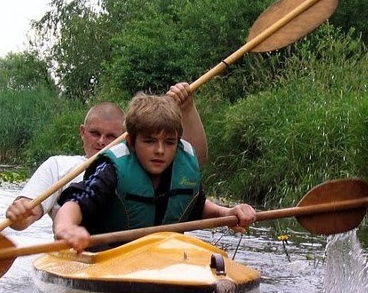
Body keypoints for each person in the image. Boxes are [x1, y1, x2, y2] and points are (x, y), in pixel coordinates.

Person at [53, 92, 257, 253]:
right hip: (105, 256)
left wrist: (227, 213)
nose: (160, 150)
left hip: (158, 258)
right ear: (131, 141)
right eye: (150, 141)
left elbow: (197, 205)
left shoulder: (182, 168)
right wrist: (66, 228)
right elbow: (75, 204)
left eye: (169, 142)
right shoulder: (111, 171)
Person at [6, 82, 207, 231]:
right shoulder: (58, 165)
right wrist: (19, 216)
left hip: (149, 256)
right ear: (83, 132)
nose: (102, 142)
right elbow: (25, 218)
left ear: (125, 139)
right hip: (90, 251)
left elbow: (195, 166)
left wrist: (187, 108)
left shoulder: (148, 163)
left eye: (111, 136)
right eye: (95, 133)